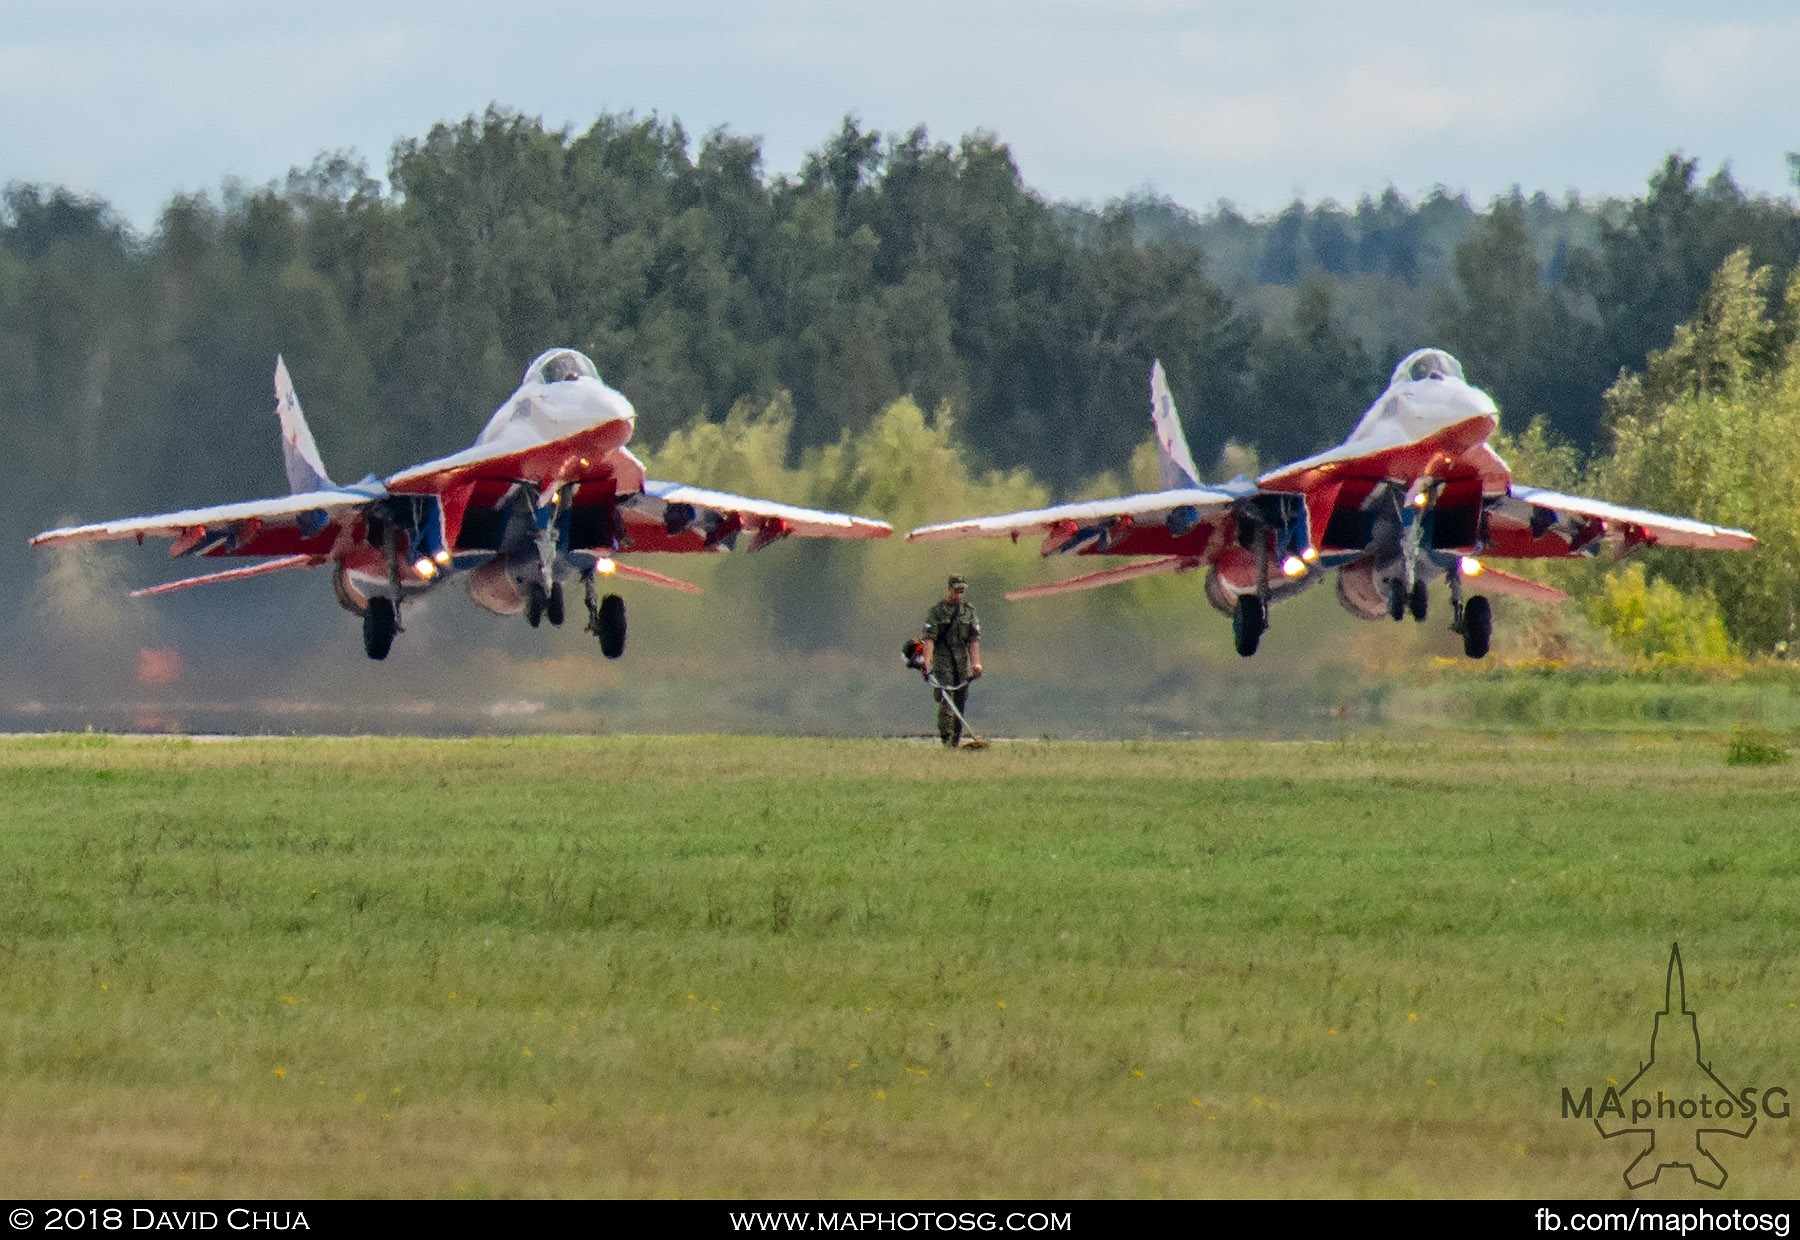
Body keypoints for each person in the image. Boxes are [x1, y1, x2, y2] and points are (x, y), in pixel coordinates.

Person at [919, 575, 983, 747]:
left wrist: (976, 663)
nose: (959, 593)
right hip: (942, 660)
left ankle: (955, 740)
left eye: (962, 590)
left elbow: (973, 640)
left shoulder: (968, 612)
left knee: (960, 701)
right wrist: (926, 662)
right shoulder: (937, 612)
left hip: (962, 661)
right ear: (949, 589)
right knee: (946, 700)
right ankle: (947, 740)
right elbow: (929, 639)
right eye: (956, 590)